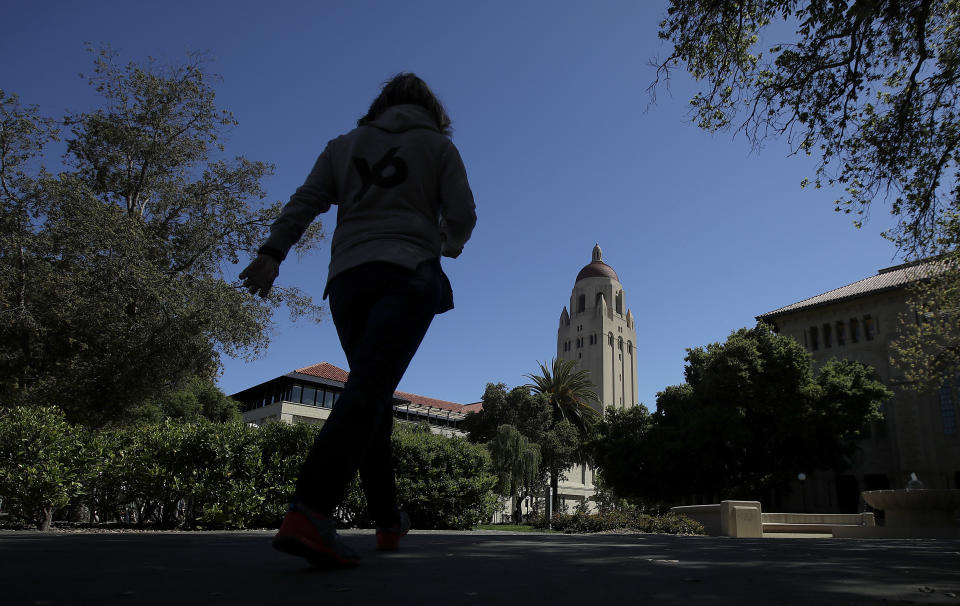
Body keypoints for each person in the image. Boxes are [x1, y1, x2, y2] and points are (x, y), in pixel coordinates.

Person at [239, 73, 476, 567]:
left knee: (372, 393)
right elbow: (463, 214)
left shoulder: (343, 146)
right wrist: (445, 244)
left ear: (381, 105)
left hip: (348, 282)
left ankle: (388, 520)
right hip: (408, 274)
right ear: (432, 110)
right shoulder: (438, 148)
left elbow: (305, 202)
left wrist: (272, 253)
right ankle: (310, 510)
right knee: (367, 390)